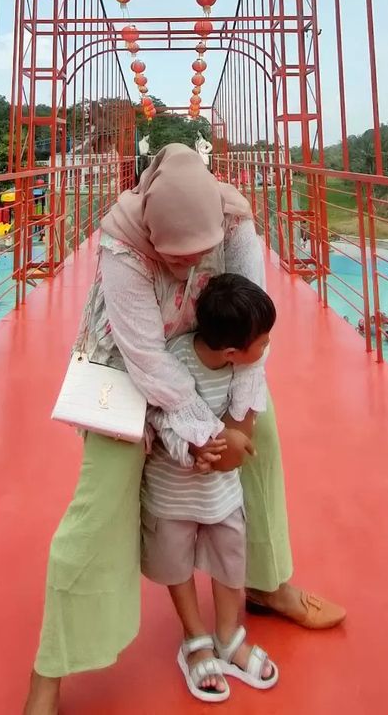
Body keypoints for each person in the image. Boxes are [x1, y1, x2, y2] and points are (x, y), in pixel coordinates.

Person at [23, 145, 344, 715]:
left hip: (209, 353)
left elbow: (253, 325)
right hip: (126, 362)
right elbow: (144, 355)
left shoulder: (236, 221)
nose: (189, 266)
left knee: (262, 445)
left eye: (201, 253)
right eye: (175, 257)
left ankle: (267, 584)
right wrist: (203, 434)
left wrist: (238, 426)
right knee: (100, 498)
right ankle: (50, 670)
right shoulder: (123, 244)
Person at [142, 274, 278, 698]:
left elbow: (244, 411)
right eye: (264, 340)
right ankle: (195, 638)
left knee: (229, 557)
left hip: (221, 491)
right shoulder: (175, 362)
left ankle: (227, 634)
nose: (267, 346)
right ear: (233, 352)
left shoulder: (243, 368)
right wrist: (190, 449)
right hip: (172, 489)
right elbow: (160, 413)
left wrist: (222, 447)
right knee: (175, 562)